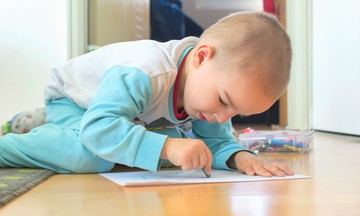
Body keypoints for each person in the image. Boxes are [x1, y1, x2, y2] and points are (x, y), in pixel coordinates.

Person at [0, 12, 293, 177]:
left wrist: (240, 156)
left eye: (236, 113)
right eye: (224, 101)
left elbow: (215, 142)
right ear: (202, 58)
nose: (223, 117)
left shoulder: (209, 91)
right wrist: (167, 149)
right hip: (75, 103)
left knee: (185, 147)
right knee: (90, 157)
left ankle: (38, 124)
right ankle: (13, 143)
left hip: (133, 116)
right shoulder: (146, 73)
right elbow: (98, 128)